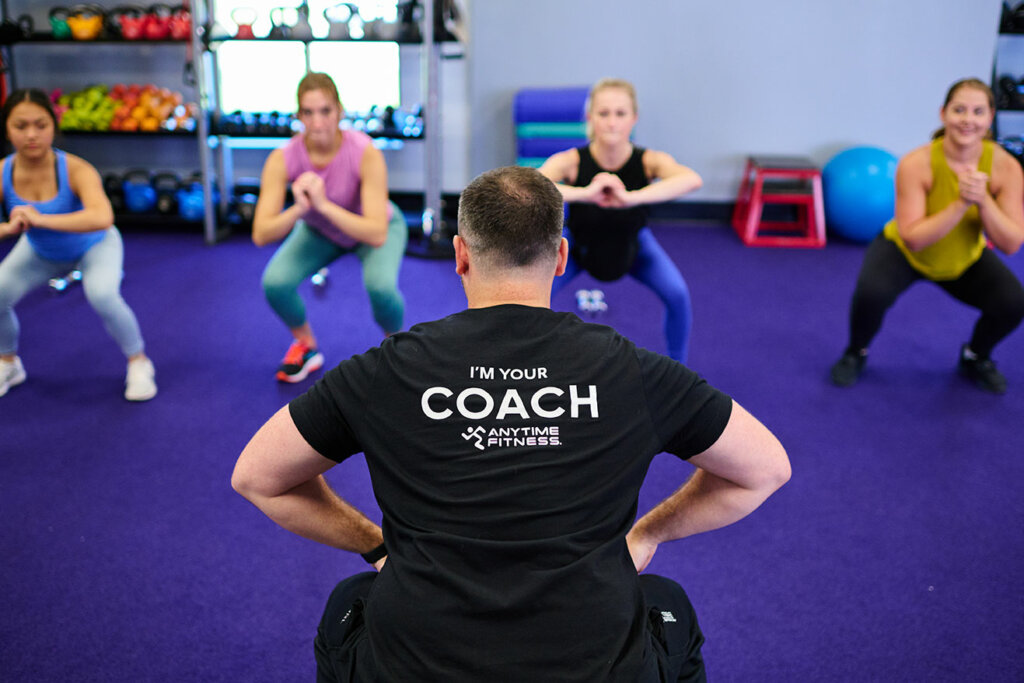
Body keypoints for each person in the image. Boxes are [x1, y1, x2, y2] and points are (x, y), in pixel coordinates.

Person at [232, 166, 790, 681]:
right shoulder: (634, 370)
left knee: (350, 602)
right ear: (561, 255)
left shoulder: (385, 369)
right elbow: (764, 470)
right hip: (596, 667)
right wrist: (649, 533)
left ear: (460, 255)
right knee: (666, 601)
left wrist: (377, 547)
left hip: (415, 666)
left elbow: (257, 477)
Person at [830, 78, 1024, 394]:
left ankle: (976, 356)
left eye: (978, 111)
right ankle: (855, 352)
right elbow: (914, 238)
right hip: (905, 253)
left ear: (990, 118)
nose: (968, 119)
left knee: (1013, 302)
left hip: (963, 257)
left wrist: (984, 200)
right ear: (943, 113)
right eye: (959, 110)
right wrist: (961, 203)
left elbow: (1012, 243)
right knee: (870, 295)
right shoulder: (916, 163)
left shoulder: (1006, 168)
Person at [0, 89, 156, 401]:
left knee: (102, 295)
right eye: (21, 126)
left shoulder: (75, 168)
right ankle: (8, 363)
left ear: (53, 126)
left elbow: (102, 216)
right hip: (40, 251)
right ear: (6, 128)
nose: (31, 134)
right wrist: (8, 228)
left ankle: (139, 362)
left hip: (94, 247)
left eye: (40, 125)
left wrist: (40, 220)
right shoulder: (3, 170)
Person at [252, 72, 407, 383]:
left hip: (375, 230)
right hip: (319, 231)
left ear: (340, 112)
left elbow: (376, 232)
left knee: (381, 287)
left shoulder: (365, 152)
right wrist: (299, 208)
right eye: (308, 113)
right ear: (298, 116)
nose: (318, 122)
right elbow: (261, 234)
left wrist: (322, 205)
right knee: (275, 282)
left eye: (325, 111)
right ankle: (306, 346)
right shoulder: (282, 159)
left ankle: (398, 349)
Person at [538, 78, 703, 362]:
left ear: (634, 118)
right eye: (604, 114)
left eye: (620, 113)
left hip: (635, 246)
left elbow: (691, 179)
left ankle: (681, 369)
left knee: (678, 295)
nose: (612, 122)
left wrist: (632, 198)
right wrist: (584, 193)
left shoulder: (649, 160)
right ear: (590, 118)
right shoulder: (573, 161)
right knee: (531, 298)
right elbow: (533, 182)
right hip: (579, 245)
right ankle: (526, 362)